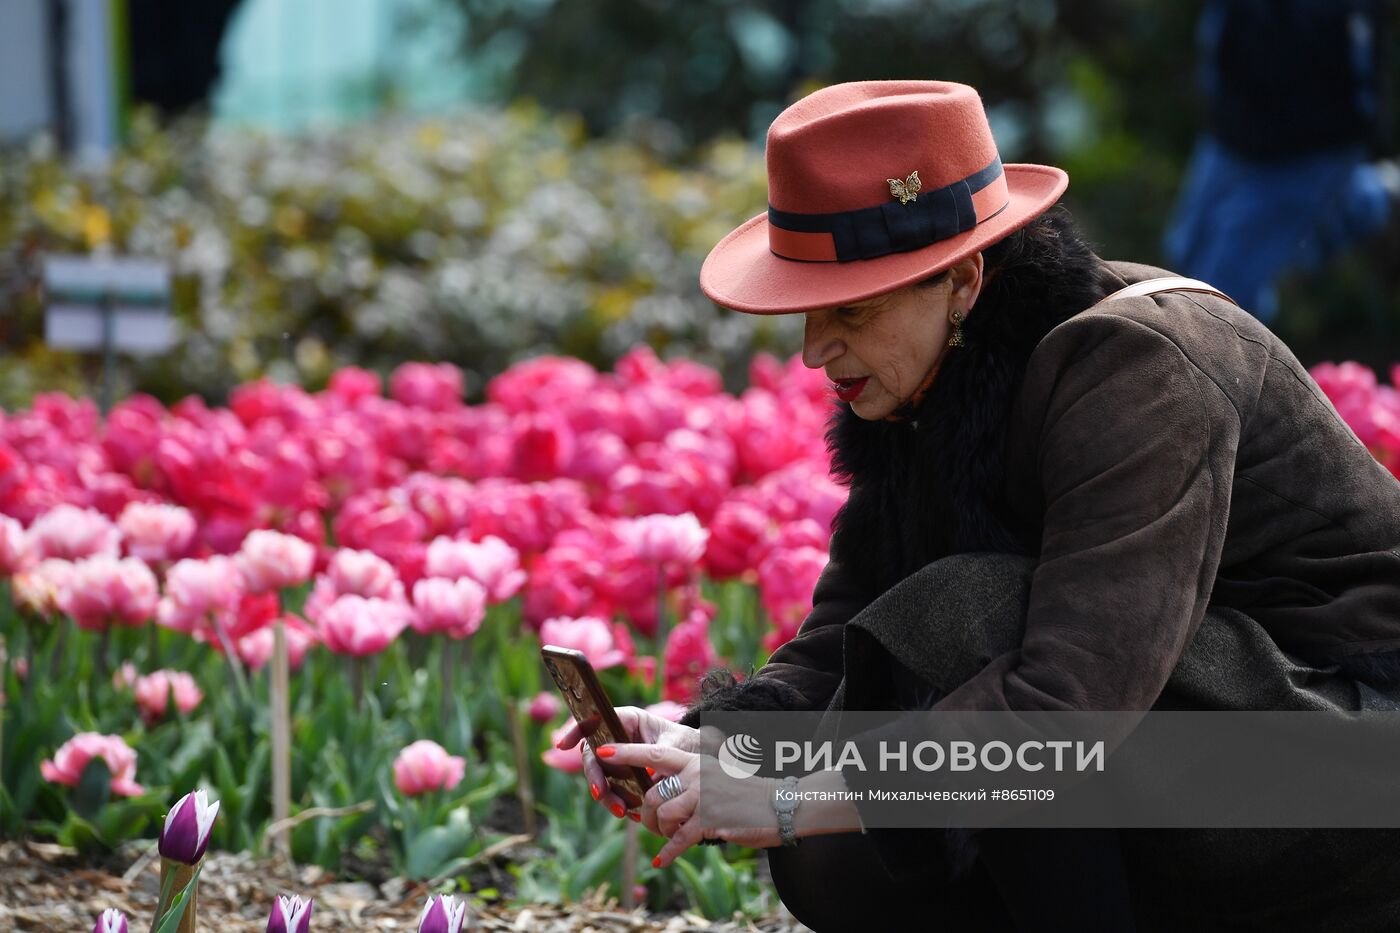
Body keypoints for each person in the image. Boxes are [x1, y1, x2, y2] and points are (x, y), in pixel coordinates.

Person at [554, 80, 1400, 931]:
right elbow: (857, 621)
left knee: (962, 624)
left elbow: (1072, 707)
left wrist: (784, 794)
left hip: (1353, 770)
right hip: (1195, 747)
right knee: (842, 853)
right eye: (807, 312)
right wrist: (703, 743)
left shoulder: (1139, 373)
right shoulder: (924, 383)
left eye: (849, 309)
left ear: (962, 280)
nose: (815, 352)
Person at [1163, 0, 1399, 326]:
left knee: (1220, 295)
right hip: (1235, 130)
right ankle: (1367, 195)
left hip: (1309, 146)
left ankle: (1236, 367)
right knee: (1185, 254)